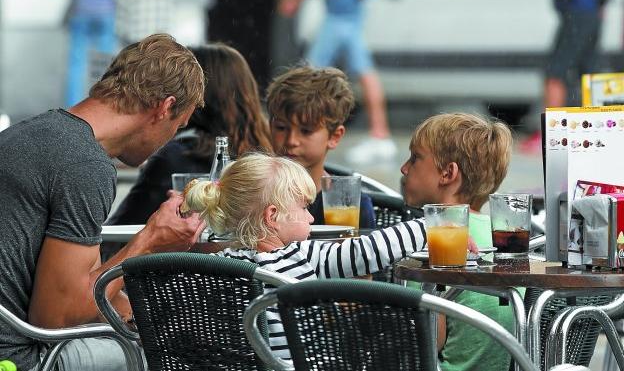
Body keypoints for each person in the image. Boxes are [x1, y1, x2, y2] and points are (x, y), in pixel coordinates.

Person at [0, 34, 206, 371]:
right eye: (177, 127)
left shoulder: (29, 133)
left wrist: (129, 308)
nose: (168, 142)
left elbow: (65, 282)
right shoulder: (84, 164)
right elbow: (55, 318)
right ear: (165, 107)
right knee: (178, 354)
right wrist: (150, 240)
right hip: (18, 358)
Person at [182, 152, 427, 359]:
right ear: (273, 216)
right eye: (304, 207)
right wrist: (429, 226)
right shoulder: (300, 256)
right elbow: (368, 251)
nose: (311, 217)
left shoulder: (215, 269)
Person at [107, 43, 273, 226]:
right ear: (246, 91)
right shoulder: (269, 159)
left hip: (175, 255)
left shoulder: (175, 156)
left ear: (197, 94)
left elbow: (120, 232)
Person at [402, 113, 515, 371]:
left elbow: (426, 343)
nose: (404, 168)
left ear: (447, 173)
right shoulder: (503, 238)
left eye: (415, 157)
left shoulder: (433, 240)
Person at [279, 0, 397, 165]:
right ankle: (380, 134)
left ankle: (296, 126)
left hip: (336, 21)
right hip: (353, 19)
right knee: (366, 75)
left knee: (308, 73)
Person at [266, 66, 376, 228]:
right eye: (281, 127)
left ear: (334, 136)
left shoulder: (350, 206)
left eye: (306, 131)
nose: (291, 140)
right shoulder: (257, 196)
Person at [521, 0, 611, 154]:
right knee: (590, 72)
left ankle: (550, 136)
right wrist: (601, 1)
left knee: (554, 73)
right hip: (590, 10)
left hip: (577, 10)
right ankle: (600, 134)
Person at [64, 0, 117, 107]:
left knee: (76, 66)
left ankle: (72, 108)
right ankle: (102, 106)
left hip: (81, 10)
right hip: (106, 11)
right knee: (103, 63)